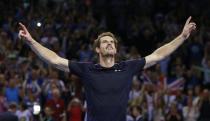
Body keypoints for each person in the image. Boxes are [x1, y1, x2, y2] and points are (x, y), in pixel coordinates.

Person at [18, 16, 196, 121]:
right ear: (98, 49)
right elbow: (55, 60)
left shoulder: (127, 67)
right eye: (105, 42)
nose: (109, 44)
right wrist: (32, 42)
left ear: (116, 48)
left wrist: (182, 37)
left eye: (112, 42)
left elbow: (158, 55)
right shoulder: (87, 69)